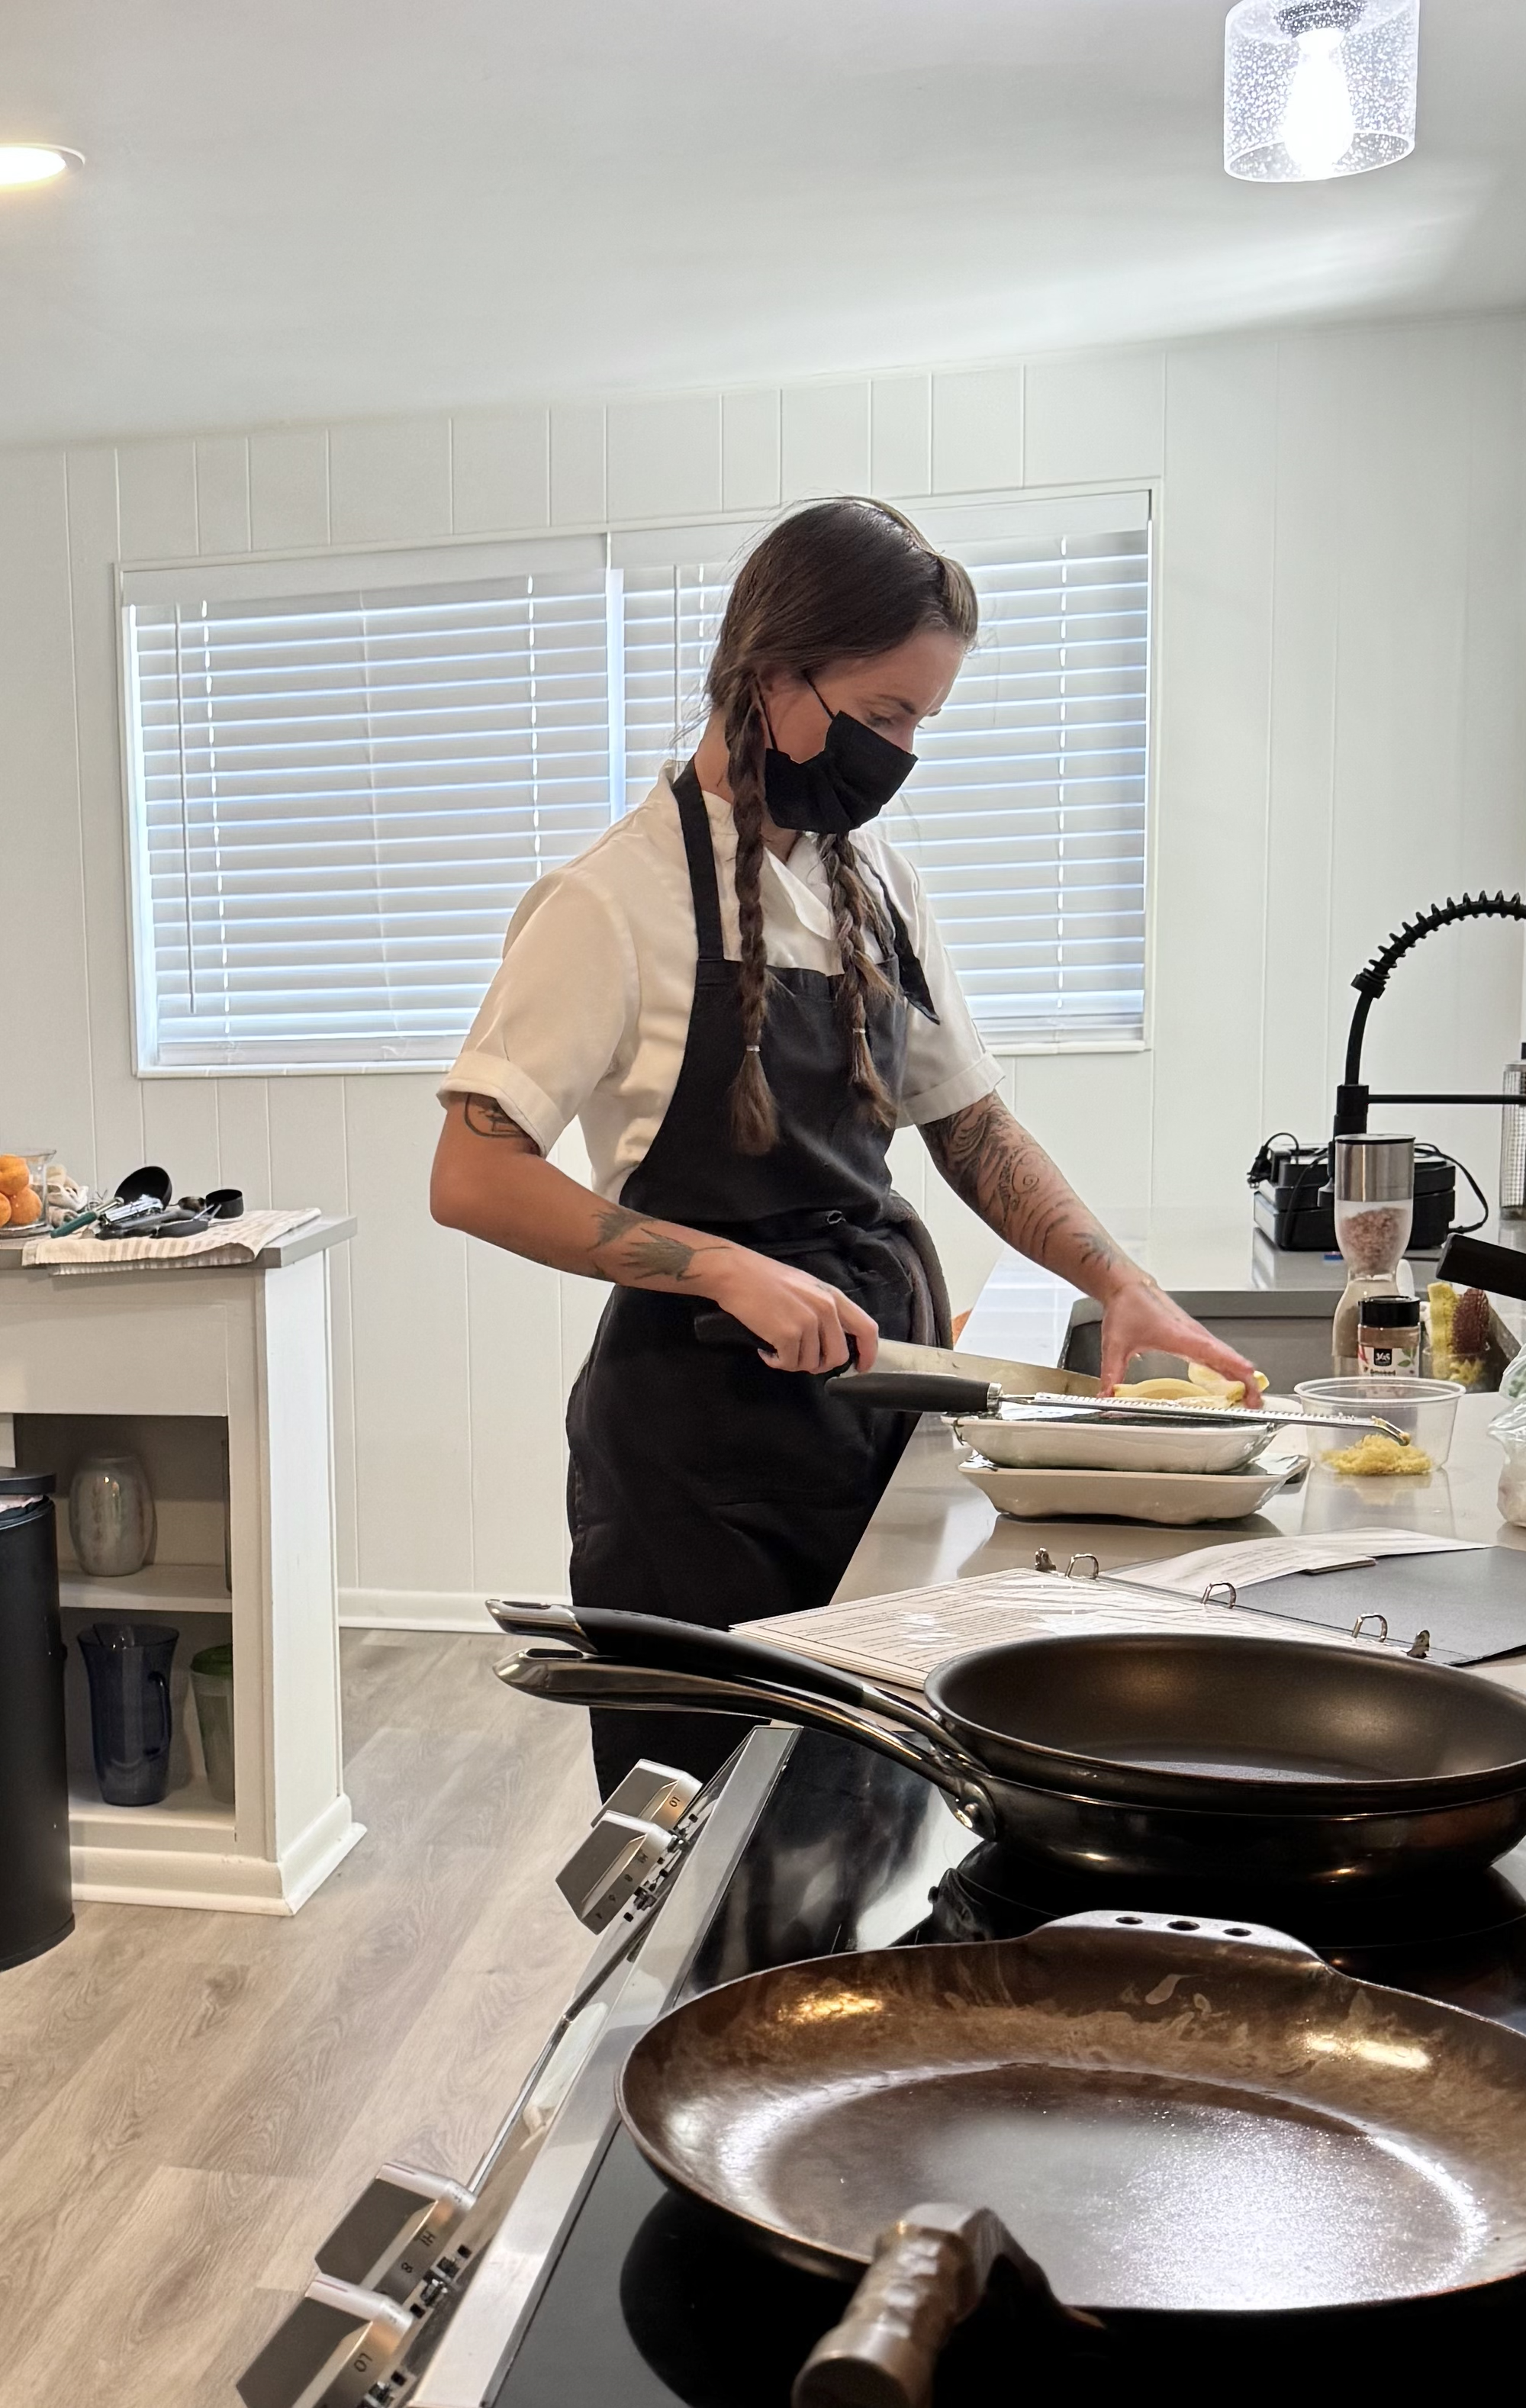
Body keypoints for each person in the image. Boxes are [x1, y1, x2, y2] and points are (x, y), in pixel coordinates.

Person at [430, 497, 1260, 1795]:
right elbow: (473, 1176)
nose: (901, 752)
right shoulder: (610, 900)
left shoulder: (872, 885)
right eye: (883, 714)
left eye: (921, 721)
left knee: (860, 1811)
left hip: (868, 1415)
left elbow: (968, 1124)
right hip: (698, 1461)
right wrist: (719, 1267)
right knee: (715, 1837)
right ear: (772, 677)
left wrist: (1123, 1286)